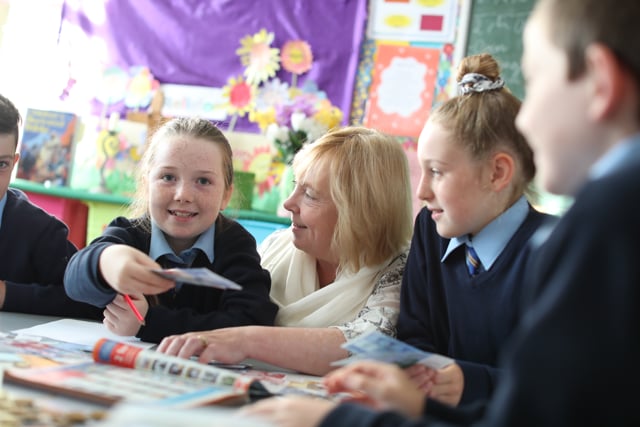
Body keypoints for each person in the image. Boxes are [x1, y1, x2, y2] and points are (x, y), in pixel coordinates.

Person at [241, 0, 640, 425]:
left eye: (538, 82)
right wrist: (415, 399)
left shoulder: (593, 232)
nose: (529, 121)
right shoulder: (434, 235)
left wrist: (333, 421)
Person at [157, 126, 414, 375]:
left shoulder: (401, 270)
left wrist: (246, 340)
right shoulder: (275, 246)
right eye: (295, 185)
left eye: (310, 195)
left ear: (360, 211)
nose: (289, 203)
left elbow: (366, 347)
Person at [395, 52, 554, 407]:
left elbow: (564, 385)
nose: (421, 193)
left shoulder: (556, 251)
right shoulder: (430, 227)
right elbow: (414, 335)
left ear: (497, 173)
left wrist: (474, 382)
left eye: (436, 171)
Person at [64, 117, 278, 343]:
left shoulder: (234, 243)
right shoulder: (128, 233)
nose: (183, 195)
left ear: (226, 195)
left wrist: (148, 322)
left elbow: (252, 322)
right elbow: (73, 281)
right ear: (147, 186)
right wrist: (105, 261)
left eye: (203, 181)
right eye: (168, 177)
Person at [0, 93, 101, 319]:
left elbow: (92, 302)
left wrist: (7, 294)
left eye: (1, 164)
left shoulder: (41, 231)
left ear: (15, 163)